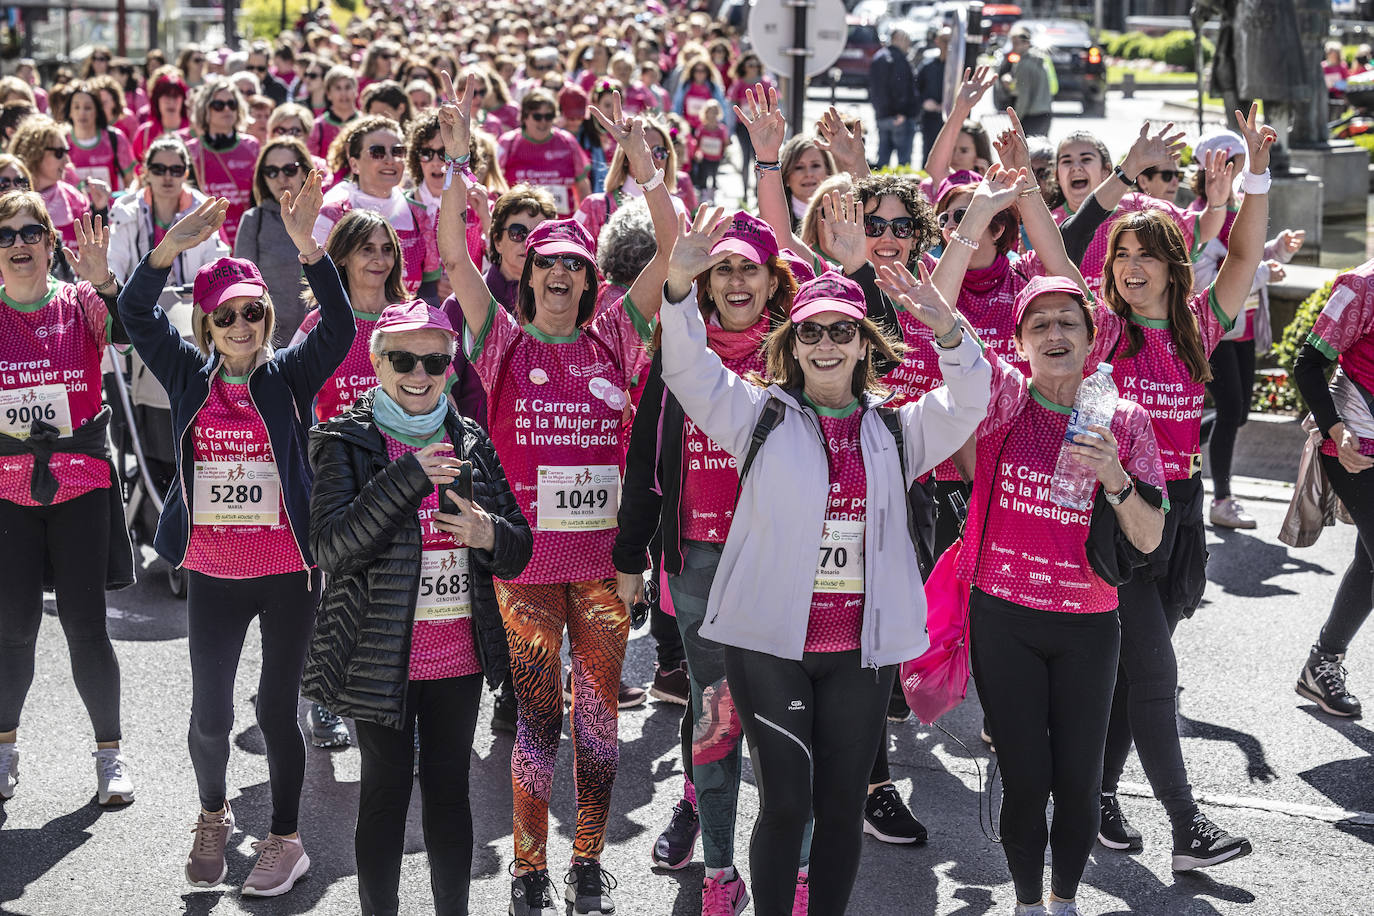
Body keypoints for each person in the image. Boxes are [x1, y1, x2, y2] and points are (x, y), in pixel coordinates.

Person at [658, 205, 989, 915]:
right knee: (786, 803)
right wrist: (680, 287)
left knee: (839, 812)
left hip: (859, 653)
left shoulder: (898, 429)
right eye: (813, 332)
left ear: (865, 344)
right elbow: (686, 369)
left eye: (844, 330)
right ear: (795, 345)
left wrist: (949, 330)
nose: (829, 344)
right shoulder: (759, 416)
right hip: (770, 645)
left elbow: (972, 400)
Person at [435, 74, 675, 916]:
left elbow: (672, 246)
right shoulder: (499, 340)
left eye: (578, 265)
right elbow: (456, 256)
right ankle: (530, 869)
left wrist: (642, 167)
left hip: (604, 571)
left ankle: (586, 860)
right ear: (530, 275)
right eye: (550, 266)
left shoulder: (615, 331)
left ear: (591, 279)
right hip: (527, 567)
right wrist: (460, 160)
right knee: (538, 722)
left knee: (600, 729)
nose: (565, 277)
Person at [881, 255, 1166, 916]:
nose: (1054, 331)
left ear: (1092, 338)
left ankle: (1064, 902)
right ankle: (1029, 904)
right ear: (1021, 341)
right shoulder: (1005, 400)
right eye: (1038, 323)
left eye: (1068, 320)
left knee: (1077, 778)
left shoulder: (1125, 421)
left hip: (1088, 623)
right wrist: (943, 319)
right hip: (1004, 617)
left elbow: (1149, 538)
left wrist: (1116, 478)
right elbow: (965, 360)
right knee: (1026, 775)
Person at [116, 175, 353, 897]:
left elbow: (340, 330)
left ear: (268, 316)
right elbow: (133, 315)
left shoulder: (287, 378)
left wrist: (311, 246)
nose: (243, 326)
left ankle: (286, 840)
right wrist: (167, 251)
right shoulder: (190, 377)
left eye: (253, 313)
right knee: (211, 714)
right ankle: (213, 816)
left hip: (286, 573)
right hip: (214, 572)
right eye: (227, 318)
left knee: (278, 711)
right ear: (208, 329)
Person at [303, 300, 533, 916]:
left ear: (450, 366)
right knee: (383, 794)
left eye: (434, 360)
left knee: (450, 794)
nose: (420, 373)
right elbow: (330, 548)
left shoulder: (471, 439)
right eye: (403, 359)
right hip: (380, 657)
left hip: (457, 656)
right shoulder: (344, 442)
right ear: (377, 363)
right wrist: (408, 478)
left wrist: (489, 534)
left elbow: (518, 548)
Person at [1090, 106, 1273, 874]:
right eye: (1121, 255)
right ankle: (1187, 827)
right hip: (1119, 515)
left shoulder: (1200, 322)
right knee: (1158, 672)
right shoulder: (1099, 328)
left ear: (1174, 264)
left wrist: (1251, 177)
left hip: (1184, 515)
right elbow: (1061, 243)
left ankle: (1095, 794)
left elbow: (1244, 255)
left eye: (1147, 256)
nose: (1131, 267)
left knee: (1138, 670)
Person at [0, 197, 135, 808]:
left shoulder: (78, 301)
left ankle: (110, 754)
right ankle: (4, 747)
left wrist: (104, 279)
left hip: (80, 486)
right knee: (13, 630)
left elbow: (131, 334)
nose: (19, 242)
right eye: (6, 235)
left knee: (86, 627)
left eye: (32, 231)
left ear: (51, 244)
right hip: (6, 492)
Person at [1291, 254, 1374, 719]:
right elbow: (1307, 364)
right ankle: (1322, 664)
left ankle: (1321, 664)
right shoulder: (1361, 286)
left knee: (1370, 562)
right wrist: (1336, 429)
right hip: (1356, 449)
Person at [312, 115, 442, 305]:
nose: (390, 160)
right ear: (354, 164)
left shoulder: (419, 215)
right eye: (377, 152)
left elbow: (429, 290)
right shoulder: (333, 213)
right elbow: (314, 285)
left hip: (404, 329)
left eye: (398, 151)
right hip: (348, 330)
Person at [108, 136, 229, 286]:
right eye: (159, 169)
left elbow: (215, 265)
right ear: (146, 172)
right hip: (138, 306)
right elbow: (114, 264)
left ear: (186, 173)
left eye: (176, 170)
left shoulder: (204, 208)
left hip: (191, 304)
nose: (167, 176)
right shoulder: (126, 210)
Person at [234, 137, 312, 347]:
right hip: (270, 342)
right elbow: (241, 287)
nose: (281, 177)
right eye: (272, 171)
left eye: (289, 169)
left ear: (304, 172)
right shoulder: (253, 220)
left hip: (319, 338)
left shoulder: (325, 216)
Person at [574, 113, 679, 247]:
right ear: (624, 158)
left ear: (667, 157)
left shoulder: (678, 208)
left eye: (659, 150)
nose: (649, 157)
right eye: (642, 149)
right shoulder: (594, 206)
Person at [183, 76, 260, 248]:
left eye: (231, 104)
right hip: (208, 240)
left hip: (246, 237)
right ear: (205, 110)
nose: (227, 109)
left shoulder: (252, 146)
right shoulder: (191, 150)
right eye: (218, 105)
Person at [496, 88, 592, 219]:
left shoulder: (568, 141)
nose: (543, 122)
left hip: (560, 225)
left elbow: (582, 186)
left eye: (549, 116)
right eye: (537, 116)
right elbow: (495, 183)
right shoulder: (508, 143)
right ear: (524, 117)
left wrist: (583, 221)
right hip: (520, 227)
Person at [10, 116, 97, 248]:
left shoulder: (76, 200)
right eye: (59, 152)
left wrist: (101, 210)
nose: (67, 161)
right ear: (34, 152)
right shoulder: (9, 203)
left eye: (67, 151)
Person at [869, 27, 919, 169]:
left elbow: (873, 89)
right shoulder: (898, 59)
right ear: (899, 39)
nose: (909, 45)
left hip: (882, 116)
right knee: (903, 165)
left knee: (883, 162)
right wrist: (902, 112)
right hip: (899, 118)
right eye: (907, 40)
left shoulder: (878, 57)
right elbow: (900, 87)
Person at [132, 68, 189, 170]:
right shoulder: (144, 133)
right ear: (156, 100)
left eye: (176, 96)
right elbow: (137, 170)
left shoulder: (193, 132)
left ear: (183, 100)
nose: (171, 101)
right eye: (166, 96)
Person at [1003, 25, 1054, 138]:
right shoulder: (1040, 60)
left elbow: (1024, 95)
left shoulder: (1024, 64)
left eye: (1016, 43)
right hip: (1045, 114)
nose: (1014, 47)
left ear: (1026, 43)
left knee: (1027, 153)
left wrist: (1016, 120)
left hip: (1031, 117)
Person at [915, 29, 949, 165]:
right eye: (945, 41)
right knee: (929, 153)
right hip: (930, 118)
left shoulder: (959, 66)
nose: (948, 45)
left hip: (951, 119)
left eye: (951, 41)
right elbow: (916, 88)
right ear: (937, 42)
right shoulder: (928, 65)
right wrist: (924, 102)